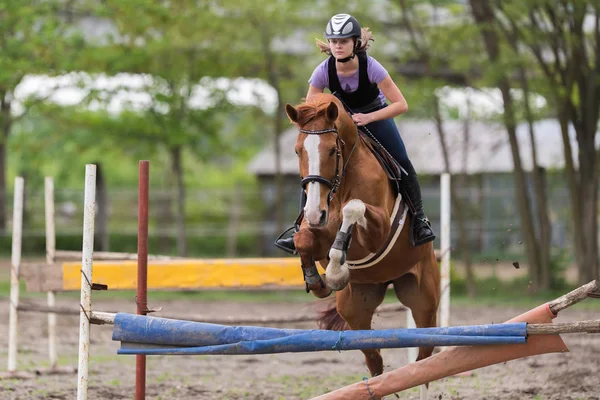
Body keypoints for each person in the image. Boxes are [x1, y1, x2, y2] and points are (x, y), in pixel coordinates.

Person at [274, 13, 435, 254]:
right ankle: (301, 227)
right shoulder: (322, 71)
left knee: (402, 162)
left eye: (343, 41)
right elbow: (311, 113)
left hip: (374, 117)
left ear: (355, 43)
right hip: (341, 124)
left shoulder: (371, 66)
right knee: (316, 168)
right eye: (334, 41)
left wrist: (369, 118)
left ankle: (420, 221)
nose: (337, 46)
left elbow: (401, 105)